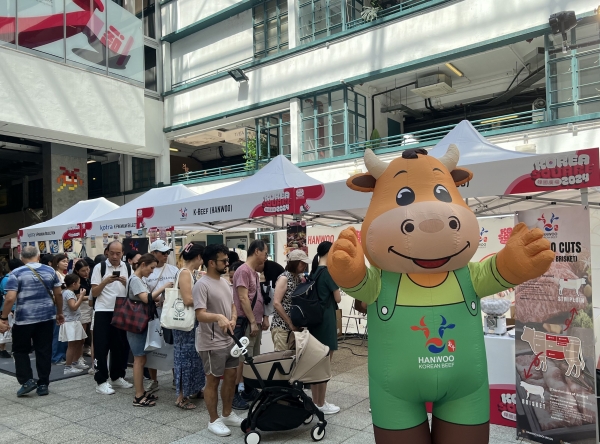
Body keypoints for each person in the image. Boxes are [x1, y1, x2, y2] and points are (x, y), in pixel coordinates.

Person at [0, 246, 64, 397]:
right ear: (39, 256)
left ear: (22, 258)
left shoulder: (15, 274)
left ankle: (27, 380)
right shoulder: (50, 271)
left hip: (24, 320)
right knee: (44, 350)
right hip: (46, 317)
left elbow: (10, 298)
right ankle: (43, 384)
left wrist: (3, 318)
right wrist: (60, 312)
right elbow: (59, 294)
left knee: (20, 350)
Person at [193, 244, 243, 437]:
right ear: (212, 263)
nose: (227, 263)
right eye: (223, 260)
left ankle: (227, 413)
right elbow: (200, 315)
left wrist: (232, 317)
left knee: (231, 377)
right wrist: (218, 318)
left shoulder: (224, 282)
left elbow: (231, 305)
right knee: (212, 381)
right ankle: (213, 420)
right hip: (211, 342)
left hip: (228, 339)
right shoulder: (202, 285)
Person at [126, 253, 171, 407]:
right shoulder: (135, 280)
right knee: (139, 359)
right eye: (151, 268)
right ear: (143, 264)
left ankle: (142, 391)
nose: (152, 271)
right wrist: (164, 287)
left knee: (142, 358)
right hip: (136, 325)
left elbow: (148, 298)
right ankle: (138, 396)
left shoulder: (138, 280)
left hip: (139, 323)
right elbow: (146, 298)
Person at [90, 241, 133, 395]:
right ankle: (101, 380)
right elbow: (94, 292)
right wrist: (105, 281)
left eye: (118, 253)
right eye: (112, 253)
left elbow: (133, 289)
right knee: (102, 346)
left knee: (120, 346)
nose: (115, 256)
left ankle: (117, 376)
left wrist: (125, 282)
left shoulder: (127, 267)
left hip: (122, 310)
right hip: (103, 310)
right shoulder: (99, 267)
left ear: (122, 253)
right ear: (106, 252)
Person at [232, 240, 268, 410]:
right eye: (265, 252)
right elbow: (243, 298)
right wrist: (253, 321)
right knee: (241, 359)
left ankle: (248, 389)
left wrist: (262, 318)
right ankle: (233, 395)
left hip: (256, 322)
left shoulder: (254, 272)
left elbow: (257, 297)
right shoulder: (243, 271)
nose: (266, 256)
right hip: (246, 322)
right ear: (256, 251)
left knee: (251, 359)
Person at [308, 241, 341, 415]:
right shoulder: (327, 273)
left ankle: (317, 401)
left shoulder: (314, 272)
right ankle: (321, 403)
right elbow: (338, 299)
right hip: (326, 321)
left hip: (315, 322)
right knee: (325, 364)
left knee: (317, 363)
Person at [173, 242, 206, 410]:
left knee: (194, 357)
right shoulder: (185, 273)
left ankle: (193, 389)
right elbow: (187, 299)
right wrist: (205, 301)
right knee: (184, 359)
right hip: (185, 324)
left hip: (191, 323)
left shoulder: (191, 272)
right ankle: (181, 396)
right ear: (199, 257)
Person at [145, 239, 179, 393]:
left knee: (172, 345)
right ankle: (153, 380)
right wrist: (159, 299)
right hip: (153, 314)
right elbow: (144, 295)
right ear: (153, 253)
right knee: (152, 345)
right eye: (163, 252)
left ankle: (175, 378)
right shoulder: (146, 271)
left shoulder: (174, 270)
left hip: (170, 313)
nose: (166, 255)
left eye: (167, 252)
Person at [271, 250, 311, 351]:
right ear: (295, 263)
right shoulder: (284, 278)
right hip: (282, 327)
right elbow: (276, 303)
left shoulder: (297, 277)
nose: (305, 265)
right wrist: (289, 323)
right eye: (302, 263)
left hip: (294, 327)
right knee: (282, 359)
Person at [59, 273, 89, 375]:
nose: (79, 285)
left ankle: (75, 362)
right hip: (70, 322)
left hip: (74, 321)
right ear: (74, 283)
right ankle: (68, 366)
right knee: (71, 345)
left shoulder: (65, 292)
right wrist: (81, 297)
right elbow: (73, 307)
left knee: (79, 341)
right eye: (79, 283)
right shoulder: (69, 293)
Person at [0, 259, 24, 358]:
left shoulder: (11, 277)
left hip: (12, 307)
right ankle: (2, 349)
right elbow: (8, 297)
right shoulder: (8, 279)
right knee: (5, 329)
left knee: (9, 329)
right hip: (8, 308)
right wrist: (9, 310)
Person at [73, 260, 93, 367]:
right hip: (81, 308)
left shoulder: (87, 279)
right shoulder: (76, 281)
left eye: (87, 269)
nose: (86, 272)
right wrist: (91, 296)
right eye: (83, 270)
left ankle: (79, 357)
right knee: (81, 336)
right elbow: (77, 296)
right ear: (77, 271)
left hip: (88, 308)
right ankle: (78, 359)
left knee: (85, 336)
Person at [51, 254, 69, 365]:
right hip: (58, 305)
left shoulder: (64, 274)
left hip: (65, 305)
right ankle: (56, 357)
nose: (66, 263)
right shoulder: (56, 274)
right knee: (57, 332)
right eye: (63, 261)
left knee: (63, 332)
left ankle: (62, 355)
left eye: (67, 261)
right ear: (57, 262)